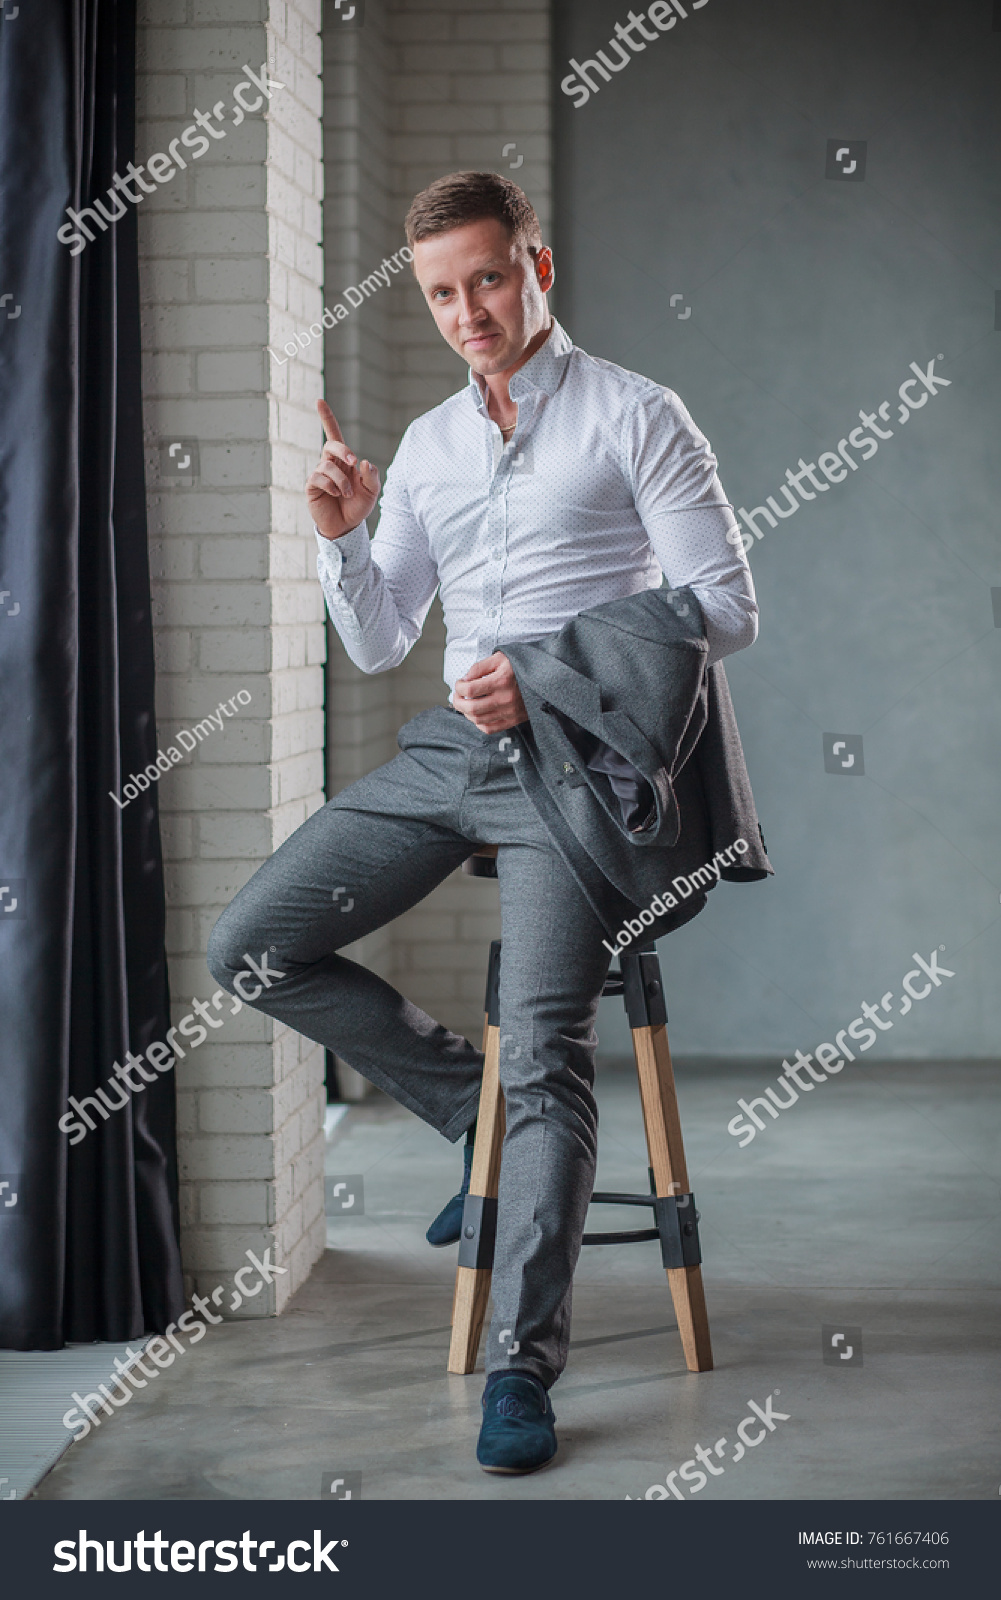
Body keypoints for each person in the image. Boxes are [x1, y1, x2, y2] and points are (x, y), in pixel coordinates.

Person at [208, 171, 757, 1475]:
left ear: (537, 268)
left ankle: (524, 1366)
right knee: (250, 945)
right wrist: (345, 539)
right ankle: (468, 1111)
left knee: (549, 1044)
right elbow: (383, 635)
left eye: (488, 279)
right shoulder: (432, 447)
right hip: (455, 749)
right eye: (444, 292)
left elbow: (725, 606)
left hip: (577, 765)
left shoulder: (635, 413)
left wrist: (550, 676)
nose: (469, 311)